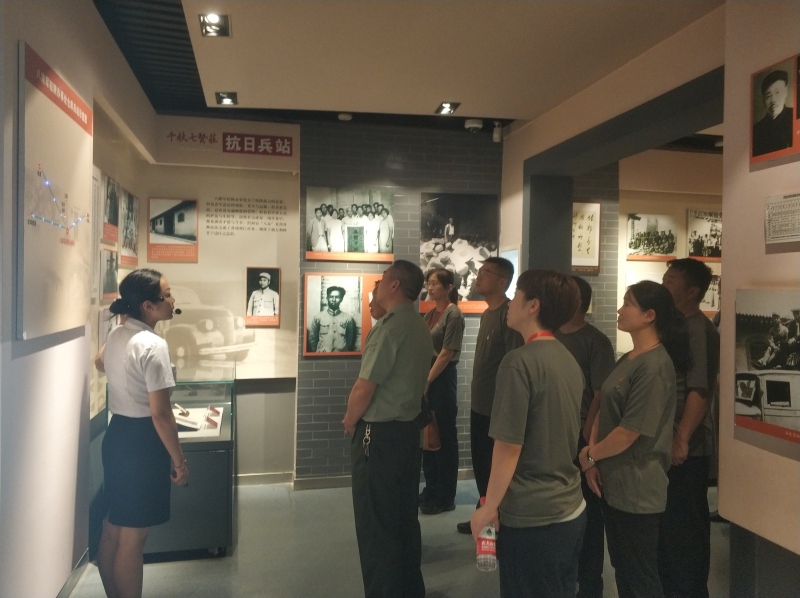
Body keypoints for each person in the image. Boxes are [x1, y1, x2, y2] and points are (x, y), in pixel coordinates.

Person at [471, 269, 587, 598]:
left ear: (533, 305)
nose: (510, 302)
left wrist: (489, 506)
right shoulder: (567, 357)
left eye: (517, 295)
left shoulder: (518, 362)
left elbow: (509, 445)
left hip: (532, 516)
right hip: (570, 506)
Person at [579, 281, 691, 598]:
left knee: (639, 574)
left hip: (638, 486)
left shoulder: (655, 366)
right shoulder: (629, 358)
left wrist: (590, 455)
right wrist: (592, 459)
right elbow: (605, 408)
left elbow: (630, 432)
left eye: (628, 303)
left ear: (649, 315)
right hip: (615, 479)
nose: (620, 309)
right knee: (625, 568)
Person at [343, 260, 433, 598]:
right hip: (408, 434)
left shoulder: (388, 328)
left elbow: (365, 387)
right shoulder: (419, 325)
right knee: (404, 520)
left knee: (376, 525)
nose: (377, 286)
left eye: (381, 280)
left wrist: (350, 420)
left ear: (395, 285)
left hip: (378, 437)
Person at [97, 268, 188, 598]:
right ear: (148, 306)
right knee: (133, 538)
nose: (172, 299)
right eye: (167, 294)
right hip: (143, 443)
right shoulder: (153, 345)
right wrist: (179, 461)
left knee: (114, 527)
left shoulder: (117, 335)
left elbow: (99, 363)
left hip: (118, 434)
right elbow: (160, 414)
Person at [659, 259, 721, 598]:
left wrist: (681, 438)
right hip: (669, 443)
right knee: (669, 531)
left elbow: (699, 389)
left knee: (685, 533)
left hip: (688, 449)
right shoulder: (676, 326)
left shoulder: (699, 329)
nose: (663, 286)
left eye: (670, 281)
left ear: (692, 291)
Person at [555, 276, 615, 598]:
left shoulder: (596, 341)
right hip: (555, 434)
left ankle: (590, 586)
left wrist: (585, 435)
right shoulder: (551, 336)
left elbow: (600, 394)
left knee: (589, 514)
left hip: (581, 437)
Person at [456, 257, 523, 534]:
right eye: (480, 271)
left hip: (497, 408)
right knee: (482, 465)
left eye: (486, 272)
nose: (479, 276)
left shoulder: (508, 316)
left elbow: (513, 365)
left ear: (503, 281)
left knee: (494, 467)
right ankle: (483, 515)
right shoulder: (487, 314)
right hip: (481, 405)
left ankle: (496, 521)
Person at [419, 268, 465, 515]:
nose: (430, 287)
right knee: (429, 437)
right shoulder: (430, 314)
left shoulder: (453, 314)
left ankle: (445, 496)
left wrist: (428, 380)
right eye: (429, 282)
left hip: (442, 379)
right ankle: (431, 488)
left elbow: (446, 353)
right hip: (427, 377)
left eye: (435, 283)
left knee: (444, 438)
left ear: (449, 288)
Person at [752, 69, 794, 157]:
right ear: (763, 99)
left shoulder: (795, 117)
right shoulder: (757, 130)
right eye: (768, 95)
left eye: (777, 92)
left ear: (785, 92)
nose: (773, 100)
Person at [307, 286, 357, 352]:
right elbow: (312, 339)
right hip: (323, 355)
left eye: (337, 297)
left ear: (341, 299)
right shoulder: (318, 317)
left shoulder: (348, 318)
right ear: (327, 298)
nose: (334, 299)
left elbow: (350, 341)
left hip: (341, 355)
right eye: (331, 297)